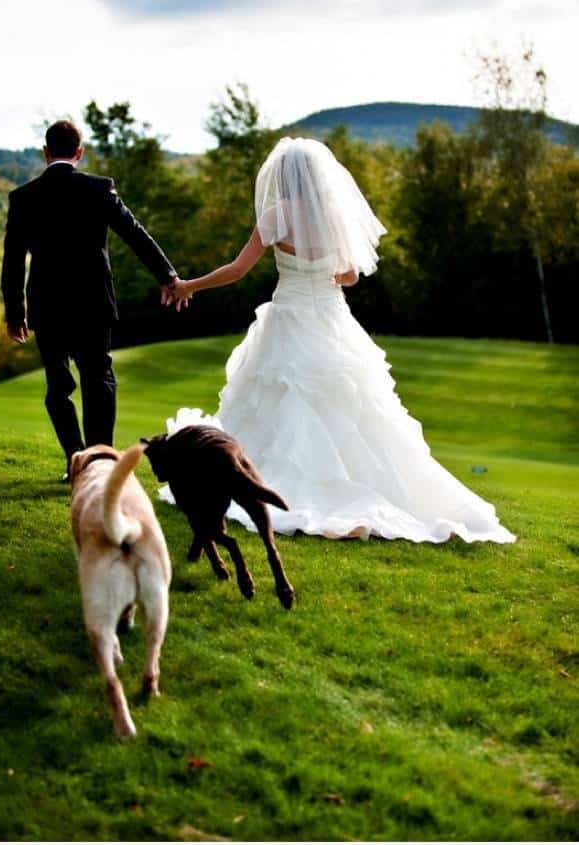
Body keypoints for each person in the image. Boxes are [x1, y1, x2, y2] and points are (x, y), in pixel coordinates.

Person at [162, 136, 515, 544]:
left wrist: (190, 285)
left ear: (282, 176)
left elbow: (239, 270)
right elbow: (349, 275)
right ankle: (364, 484)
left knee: (281, 400)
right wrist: (327, 272)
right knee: (353, 405)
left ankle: (259, 483)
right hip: (331, 316)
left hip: (291, 314)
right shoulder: (333, 214)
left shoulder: (276, 215)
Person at [1, 119, 181, 481]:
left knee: (58, 388)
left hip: (46, 307)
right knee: (99, 380)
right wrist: (168, 276)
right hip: (93, 304)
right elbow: (136, 234)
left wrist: (14, 312)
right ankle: (99, 462)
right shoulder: (99, 189)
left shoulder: (23, 198)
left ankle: (74, 459)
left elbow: (12, 260)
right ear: (79, 153)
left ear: (46, 152)